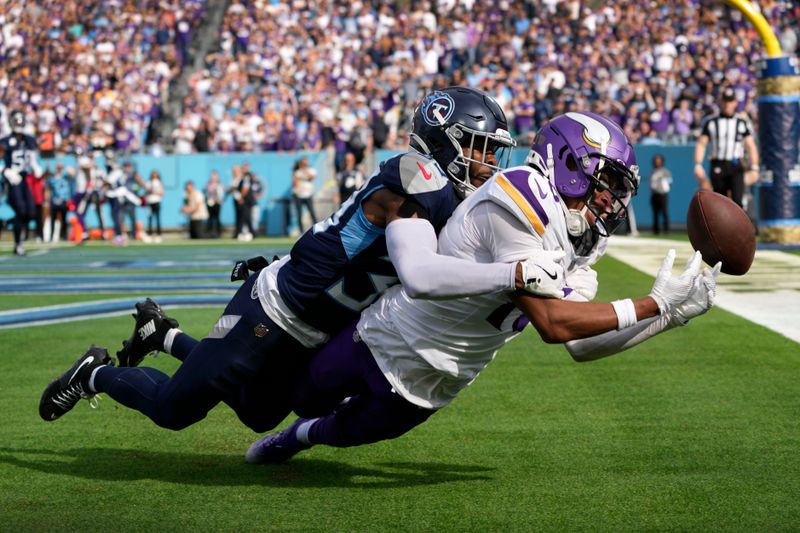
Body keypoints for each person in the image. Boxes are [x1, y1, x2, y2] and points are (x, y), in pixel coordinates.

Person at [36, 87, 547, 438]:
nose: (488, 163)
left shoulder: (448, 196)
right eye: (481, 147)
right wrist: (513, 273)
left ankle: (162, 336)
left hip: (316, 321)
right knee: (176, 411)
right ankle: (94, 374)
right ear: (446, 138)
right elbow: (419, 271)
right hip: (278, 308)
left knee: (258, 414)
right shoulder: (416, 177)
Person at [242, 112, 721, 464]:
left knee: (340, 432)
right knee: (298, 395)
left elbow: (581, 342)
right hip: (385, 337)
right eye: (606, 180)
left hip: (444, 376)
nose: (610, 197)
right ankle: (219, 357)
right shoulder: (522, 196)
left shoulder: (582, 244)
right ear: (571, 163)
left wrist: (668, 316)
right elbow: (554, 325)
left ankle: (299, 438)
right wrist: (652, 303)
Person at [693, 87, 760, 207]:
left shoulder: (741, 122)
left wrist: (755, 166)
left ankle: (739, 226)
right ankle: (722, 226)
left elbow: (751, 146)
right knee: (720, 202)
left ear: (735, 103)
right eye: (725, 101)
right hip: (718, 164)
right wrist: (698, 164)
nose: (727, 105)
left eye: (730, 101)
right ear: (720, 102)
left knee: (737, 201)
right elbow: (701, 144)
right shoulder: (711, 122)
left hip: (735, 165)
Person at [0, 110, 42, 255]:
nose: (19, 123)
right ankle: (18, 244)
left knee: (31, 212)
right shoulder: (5, 141)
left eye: (20, 120)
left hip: (24, 179)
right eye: (16, 121)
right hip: (12, 180)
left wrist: (36, 166)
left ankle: (7, 224)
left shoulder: (29, 139)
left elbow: (32, 156)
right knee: (21, 210)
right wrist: (6, 171)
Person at [47, 163, 73, 242]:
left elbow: (72, 172)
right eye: (58, 167)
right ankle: (51, 236)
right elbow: (48, 188)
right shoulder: (52, 178)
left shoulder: (65, 176)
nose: (59, 169)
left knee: (64, 219)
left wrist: (64, 167)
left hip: (63, 201)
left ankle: (64, 236)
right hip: (54, 201)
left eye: (60, 167)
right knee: (53, 220)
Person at [291, 156, 317, 233]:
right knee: (299, 215)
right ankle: (301, 231)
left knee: (312, 213)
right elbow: (295, 184)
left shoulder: (311, 170)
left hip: (308, 194)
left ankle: (316, 230)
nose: (304, 164)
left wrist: (304, 170)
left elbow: (311, 178)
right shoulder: (297, 172)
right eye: (302, 163)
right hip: (298, 195)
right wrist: (295, 173)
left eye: (305, 163)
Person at [649, 154, 672, 235]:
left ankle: (667, 230)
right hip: (655, 195)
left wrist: (665, 188)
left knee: (665, 212)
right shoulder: (653, 172)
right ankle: (656, 231)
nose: (657, 162)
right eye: (656, 161)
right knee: (655, 213)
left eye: (659, 161)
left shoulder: (665, 172)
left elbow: (670, 182)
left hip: (663, 195)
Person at [204, 170, 225, 238]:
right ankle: (209, 232)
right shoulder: (208, 184)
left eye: (215, 176)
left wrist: (219, 200)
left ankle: (218, 233)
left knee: (217, 218)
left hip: (217, 203)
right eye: (213, 176)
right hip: (210, 203)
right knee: (210, 218)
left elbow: (222, 193)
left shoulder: (220, 184)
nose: (213, 177)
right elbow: (206, 193)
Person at [145, 170, 164, 241]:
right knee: (150, 219)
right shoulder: (148, 182)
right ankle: (149, 234)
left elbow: (162, 193)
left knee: (158, 219)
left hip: (157, 202)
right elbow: (146, 191)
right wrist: (149, 191)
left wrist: (155, 192)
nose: (154, 175)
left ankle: (159, 235)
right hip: (150, 202)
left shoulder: (160, 183)